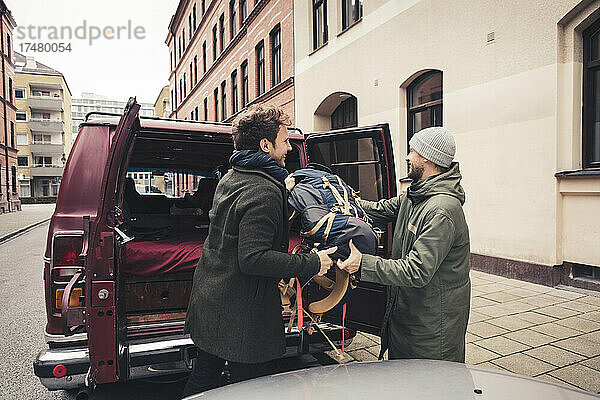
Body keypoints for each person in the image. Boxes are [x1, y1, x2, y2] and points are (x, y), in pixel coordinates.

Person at [182, 104, 337, 397]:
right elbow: (253, 258)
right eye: (285, 140)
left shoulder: (232, 176)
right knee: (251, 388)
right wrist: (312, 263)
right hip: (240, 314)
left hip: (210, 299)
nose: (289, 148)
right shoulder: (263, 190)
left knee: (203, 381)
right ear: (266, 145)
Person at [337, 126, 470, 362]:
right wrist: (344, 203)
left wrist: (362, 264)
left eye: (412, 151)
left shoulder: (441, 210)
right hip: (408, 318)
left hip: (431, 330)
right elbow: (380, 209)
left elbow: (416, 270)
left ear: (427, 158)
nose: (408, 157)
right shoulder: (416, 195)